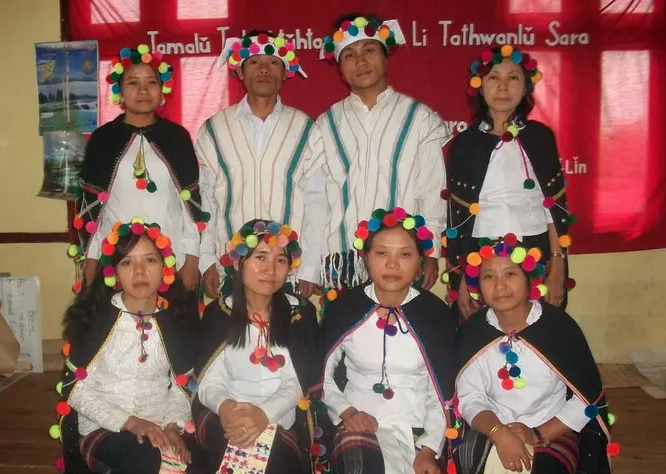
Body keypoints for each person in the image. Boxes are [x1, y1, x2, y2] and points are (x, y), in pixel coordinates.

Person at [447, 235, 628, 474]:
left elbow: (586, 400)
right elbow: (471, 399)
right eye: (489, 276)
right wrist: (500, 433)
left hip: (551, 435)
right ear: (477, 285)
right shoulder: (474, 331)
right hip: (491, 433)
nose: (500, 285)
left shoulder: (558, 328)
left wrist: (537, 434)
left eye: (510, 273)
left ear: (529, 277)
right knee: (477, 467)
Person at [53, 220, 213, 474]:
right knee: (145, 461)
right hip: (105, 429)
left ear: (164, 267)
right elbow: (75, 391)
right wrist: (131, 422)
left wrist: (172, 428)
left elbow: (181, 388)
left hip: (161, 427)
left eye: (150, 260)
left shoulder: (176, 321)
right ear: (114, 272)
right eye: (128, 262)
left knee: (203, 473)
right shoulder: (96, 319)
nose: (140, 271)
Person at [321, 207, 460, 474]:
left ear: (420, 263)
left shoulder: (435, 314)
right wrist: (346, 411)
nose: (392, 264)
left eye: (405, 254)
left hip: (414, 430)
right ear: (366, 258)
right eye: (382, 252)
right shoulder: (344, 308)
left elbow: (441, 393)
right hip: (360, 424)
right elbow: (321, 377)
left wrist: (429, 449)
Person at [191, 219, 326, 474]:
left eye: (280, 260)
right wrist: (226, 407)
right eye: (261, 257)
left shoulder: (300, 313)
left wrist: (262, 415)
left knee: (264, 466)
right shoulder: (219, 313)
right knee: (238, 449)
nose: (270, 269)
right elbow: (210, 380)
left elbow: (297, 382)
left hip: (279, 419)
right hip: (226, 415)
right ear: (239, 262)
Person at [316, 14, 449, 292]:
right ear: (340, 70)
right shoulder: (325, 124)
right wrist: (313, 261)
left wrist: (431, 251)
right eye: (349, 55)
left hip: (401, 259)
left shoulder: (419, 118)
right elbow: (318, 200)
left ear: (386, 57)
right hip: (345, 260)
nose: (361, 61)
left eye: (369, 50)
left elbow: (431, 190)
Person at [444, 44, 574, 321]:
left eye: (513, 77)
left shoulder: (540, 138)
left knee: (536, 327)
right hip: (479, 254)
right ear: (480, 87)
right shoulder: (465, 144)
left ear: (526, 87)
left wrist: (558, 263)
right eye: (494, 77)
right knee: (484, 331)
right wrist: (461, 277)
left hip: (535, 248)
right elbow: (457, 220)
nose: (503, 86)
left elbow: (552, 206)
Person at [196, 30, 328, 299]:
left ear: (285, 72)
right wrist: (206, 259)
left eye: (273, 62)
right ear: (239, 71)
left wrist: (310, 267)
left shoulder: (306, 129)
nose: (264, 69)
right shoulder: (214, 129)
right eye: (255, 62)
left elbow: (317, 201)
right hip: (231, 268)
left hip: (288, 270)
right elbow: (205, 200)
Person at [73, 43, 207, 292]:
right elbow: (90, 207)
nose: (143, 90)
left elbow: (190, 205)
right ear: (120, 91)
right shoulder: (103, 139)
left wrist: (191, 258)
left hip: (172, 259)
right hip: (116, 259)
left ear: (162, 89)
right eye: (133, 82)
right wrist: (91, 259)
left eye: (151, 82)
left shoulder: (177, 137)